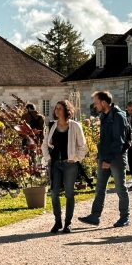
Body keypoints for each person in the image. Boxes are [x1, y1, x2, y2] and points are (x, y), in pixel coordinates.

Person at [78, 91, 131, 228]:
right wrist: (100, 155)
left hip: (116, 157)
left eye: (96, 102)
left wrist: (108, 159)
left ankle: (124, 217)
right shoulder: (104, 115)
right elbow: (105, 139)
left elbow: (119, 141)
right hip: (104, 157)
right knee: (100, 187)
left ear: (103, 102)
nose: (95, 106)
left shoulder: (118, 116)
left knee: (120, 188)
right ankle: (95, 216)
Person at [41, 100, 88, 233]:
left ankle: (68, 223)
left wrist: (76, 158)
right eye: (56, 109)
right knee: (54, 193)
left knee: (69, 193)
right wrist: (48, 159)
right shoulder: (52, 126)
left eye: (60, 109)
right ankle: (57, 221)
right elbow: (44, 144)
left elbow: (82, 146)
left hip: (69, 165)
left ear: (66, 110)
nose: (57, 111)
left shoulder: (75, 126)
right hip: (55, 164)